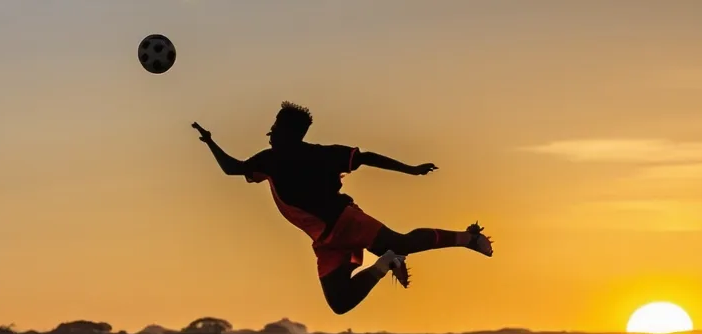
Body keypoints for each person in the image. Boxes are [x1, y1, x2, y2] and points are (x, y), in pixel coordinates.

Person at [191, 101, 493, 315]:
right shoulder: (296, 156)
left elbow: (231, 168)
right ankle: (383, 264)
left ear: (286, 133)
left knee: (402, 242)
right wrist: (410, 170)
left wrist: (209, 143)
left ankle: (469, 239)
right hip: (325, 239)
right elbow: (368, 157)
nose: (268, 134)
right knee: (339, 302)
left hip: (344, 220)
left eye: (273, 129)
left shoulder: (273, 158)